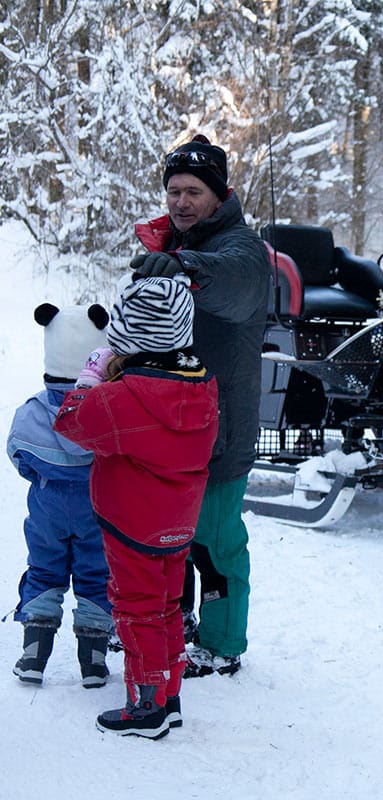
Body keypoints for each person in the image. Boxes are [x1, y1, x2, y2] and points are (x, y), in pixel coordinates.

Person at [129, 134, 270, 677]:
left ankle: (221, 643)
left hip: (221, 428)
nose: (180, 202)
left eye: (193, 191)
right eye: (173, 191)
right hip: (174, 425)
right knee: (175, 538)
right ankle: (184, 623)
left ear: (219, 193)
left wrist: (185, 269)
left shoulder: (242, 250)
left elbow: (230, 284)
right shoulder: (172, 246)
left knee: (214, 541)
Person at [54, 276, 219, 739]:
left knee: (136, 610)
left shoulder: (121, 398)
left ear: (127, 335)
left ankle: (145, 706)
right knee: (167, 607)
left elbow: (68, 421)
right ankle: (168, 696)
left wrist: (91, 377)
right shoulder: (202, 383)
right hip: (177, 520)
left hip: (131, 523)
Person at [8, 303, 113, 689]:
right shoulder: (106, 409)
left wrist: (42, 478)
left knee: (44, 572)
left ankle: (34, 656)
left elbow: (18, 453)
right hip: (96, 507)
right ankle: (94, 663)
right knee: (96, 575)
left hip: (47, 507)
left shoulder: (32, 410)